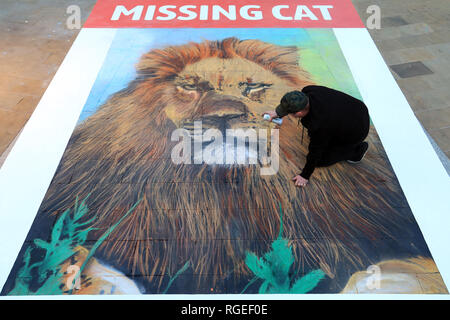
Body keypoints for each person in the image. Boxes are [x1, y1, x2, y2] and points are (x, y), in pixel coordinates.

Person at [263, 86, 370, 188]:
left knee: (320, 160)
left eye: (290, 113)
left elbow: (315, 152)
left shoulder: (320, 125)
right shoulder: (309, 90)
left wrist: (305, 175)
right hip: (357, 108)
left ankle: (357, 151)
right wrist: (277, 113)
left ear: (299, 113)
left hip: (357, 131)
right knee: (321, 135)